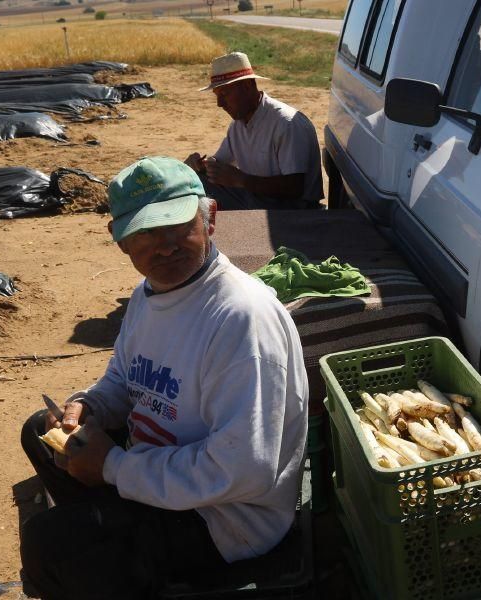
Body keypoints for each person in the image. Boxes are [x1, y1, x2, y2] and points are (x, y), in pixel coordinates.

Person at [19, 156, 309, 600]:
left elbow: (244, 471)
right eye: (146, 233)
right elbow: (124, 378)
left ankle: (110, 546)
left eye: (178, 227)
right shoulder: (149, 294)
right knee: (40, 429)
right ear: (120, 241)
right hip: (164, 471)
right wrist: (89, 405)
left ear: (209, 217)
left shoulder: (240, 319)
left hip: (225, 519)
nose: (165, 246)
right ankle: (110, 540)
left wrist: (113, 467)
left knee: (50, 542)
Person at [185, 51, 324, 210]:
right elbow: (219, 162)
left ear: (247, 86)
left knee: (199, 193)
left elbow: (295, 188)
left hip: (292, 208)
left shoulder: (286, 123)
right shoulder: (238, 125)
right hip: (259, 199)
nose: (219, 103)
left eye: (224, 93)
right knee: (194, 181)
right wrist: (203, 166)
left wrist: (242, 180)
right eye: (217, 96)